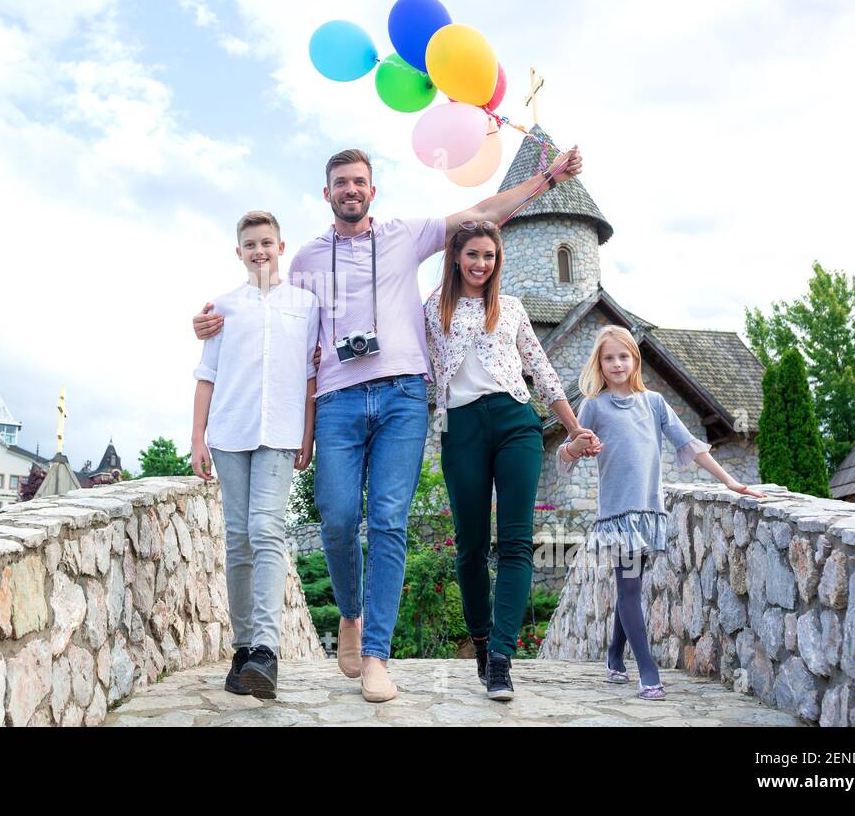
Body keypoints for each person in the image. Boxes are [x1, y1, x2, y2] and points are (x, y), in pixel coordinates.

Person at [193, 144, 584, 702]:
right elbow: (271, 315)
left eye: (359, 182)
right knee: (337, 517)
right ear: (326, 194)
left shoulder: (405, 234)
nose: (350, 190)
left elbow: (483, 214)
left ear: (372, 190)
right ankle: (349, 615)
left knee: (388, 522)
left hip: (403, 396)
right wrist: (213, 318)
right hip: (337, 399)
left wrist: (545, 180)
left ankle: (376, 654)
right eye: (340, 183)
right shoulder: (304, 260)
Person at [425, 221, 600, 700]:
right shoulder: (432, 309)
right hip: (460, 428)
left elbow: (542, 371)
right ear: (456, 257)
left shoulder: (513, 309)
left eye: (490, 256)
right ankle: (481, 639)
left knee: (518, 541)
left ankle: (501, 656)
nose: (481, 264)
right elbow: (419, 369)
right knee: (471, 545)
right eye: (473, 255)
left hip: (514, 422)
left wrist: (573, 427)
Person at [557, 325, 765, 699]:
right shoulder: (594, 406)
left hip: (650, 513)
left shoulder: (653, 403)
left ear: (634, 360)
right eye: (609, 358)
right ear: (599, 365)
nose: (617, 364)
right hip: (618, 517)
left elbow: (690, 445)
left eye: (623, 356)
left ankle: (614, 655)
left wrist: (729, 481)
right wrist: (577, 448)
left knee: (629, 589)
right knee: (630, 587)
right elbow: (566, 455)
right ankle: (648, 673)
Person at [191, 210, 317, 700]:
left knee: (267, 530)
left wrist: (309, 433)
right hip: (228, 432)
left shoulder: (306, 306)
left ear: (281, 247)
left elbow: (311, 375)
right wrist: (198, 437)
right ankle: (242, 651)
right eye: (250, 244)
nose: (259, 251)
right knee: (238, 538)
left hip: (281, 432)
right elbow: (206, 375)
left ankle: (267, 649)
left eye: (267, 242)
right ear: (239, 252)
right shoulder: (222, 308)